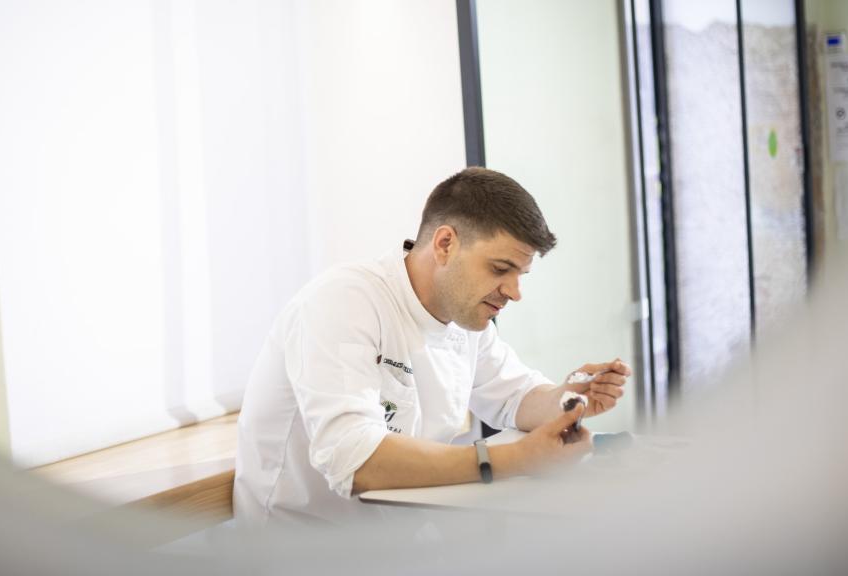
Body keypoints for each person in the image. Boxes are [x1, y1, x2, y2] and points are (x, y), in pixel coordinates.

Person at [233, 167, 631, 526]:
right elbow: (353, 459)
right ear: (445, 244)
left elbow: (516, 395)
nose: (514, 292)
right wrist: (515, 459)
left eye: (521, 274)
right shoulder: (343, 301)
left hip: (398, 544)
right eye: (500, 269)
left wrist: (568, 398)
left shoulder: (466, 318)